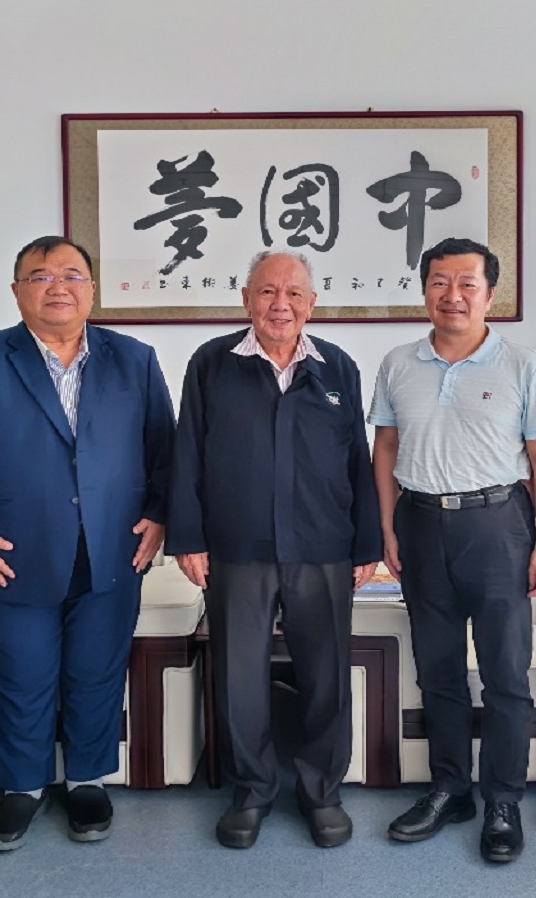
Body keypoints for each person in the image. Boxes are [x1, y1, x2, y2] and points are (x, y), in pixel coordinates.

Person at [0, 236, 175, 852]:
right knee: (20, 674)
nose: (56, 286)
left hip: (113, 546)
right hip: (6, 553)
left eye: (71, 275)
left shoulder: (134, 359)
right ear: (17, 292)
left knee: (96, 672)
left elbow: (165, 449)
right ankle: (22, 788)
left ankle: (87, 780)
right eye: (39, 276)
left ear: (92, 289)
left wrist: (160, 516)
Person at [168, 251, 382, 850]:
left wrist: (366, 542)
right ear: (246, 299)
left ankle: (321, 791)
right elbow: (187, 452)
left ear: (312, 303)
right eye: (267, 292)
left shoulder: (336, 367)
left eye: (293, 294)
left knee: (325, 673)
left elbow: (357, 459)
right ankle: (252, 790)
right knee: (239, 674)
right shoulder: (212, 363)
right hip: (238, 546)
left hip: (323, 545)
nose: (280, 304)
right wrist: (188, 537)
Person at [370, 237, 536, 865]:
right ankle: (450, 788)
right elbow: (386, 449)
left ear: (490, 294)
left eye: (467, 284)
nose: (452, 295)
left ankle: (502, 800)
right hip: (421, 523)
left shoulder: (524, 365)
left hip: (497, 526)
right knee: (438, 670)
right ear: (424, 289)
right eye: (439, 282)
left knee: (506, 674)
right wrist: (386, 529)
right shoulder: (398, 363)